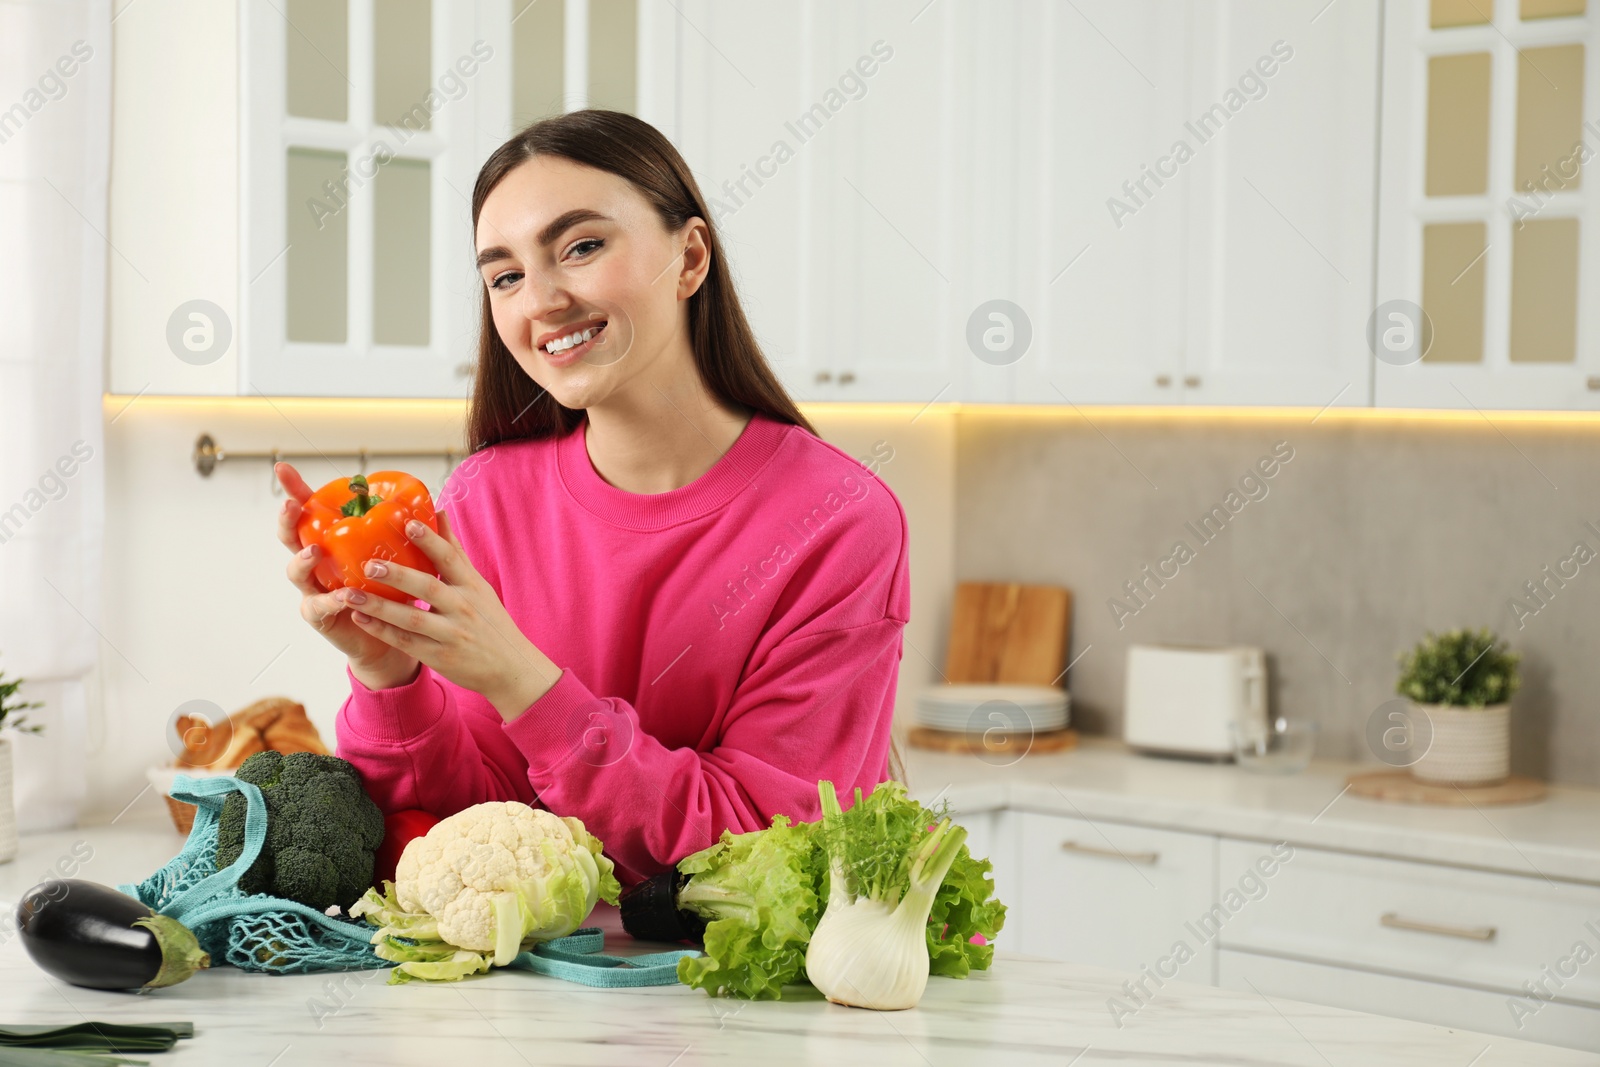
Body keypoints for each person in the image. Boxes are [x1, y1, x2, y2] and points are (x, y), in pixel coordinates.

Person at [272, 109, 910, 885]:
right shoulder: (487, 498)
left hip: (747, 999)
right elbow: (464, 822)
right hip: (538, 987)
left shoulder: (840, 520)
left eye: (580, 246)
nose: (540, 300)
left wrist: (525, 685)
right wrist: (387, 675)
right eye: (504, 276)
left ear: (690, 257)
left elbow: (761, 851)